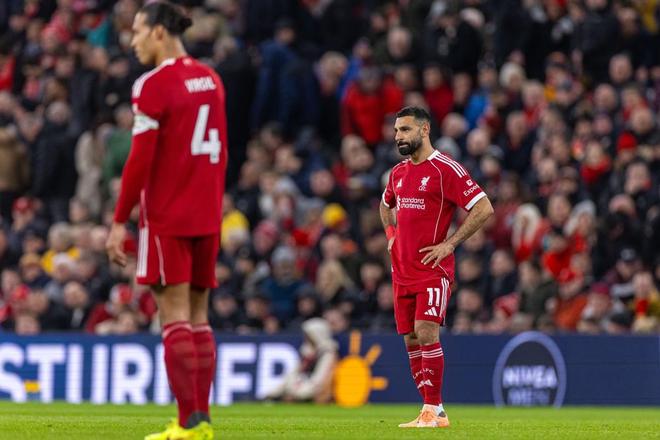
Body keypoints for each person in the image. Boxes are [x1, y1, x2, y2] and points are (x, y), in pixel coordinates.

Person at [105, 2, 227, 439]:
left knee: (173, 317)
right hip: (207, 213)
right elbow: (222, 151)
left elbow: (139, 159)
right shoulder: (211, 79)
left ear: (159, 32)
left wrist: (119, 220)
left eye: (138, 31)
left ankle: (187, 422)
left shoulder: (153, 84)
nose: (132, 41)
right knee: (199, 317)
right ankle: (201, 421)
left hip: (167, 215)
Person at [380, 106, 493, 428]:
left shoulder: (446, 169)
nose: (398, 136)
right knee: (411, 339)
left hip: (432, 269)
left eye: (405, 129)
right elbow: (385, 205)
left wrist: (450, 244)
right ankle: (430, 410)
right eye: (396, 131)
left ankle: (434, 408)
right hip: (401, 271)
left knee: (427, 331)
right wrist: (391, 235)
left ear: (424, 130)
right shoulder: (398, 173)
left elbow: (483, 207)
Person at [264, 317, 338, 403]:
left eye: (309, 336)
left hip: (312, 393)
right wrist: (274, 393)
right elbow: (291, 375)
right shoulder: (307, 353)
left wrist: (296, 394)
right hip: (301, 388)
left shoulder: (328, 355)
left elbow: (319, 382)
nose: (306, 339)